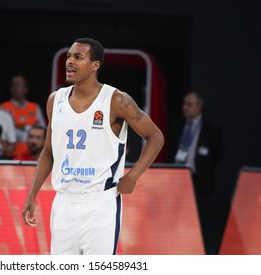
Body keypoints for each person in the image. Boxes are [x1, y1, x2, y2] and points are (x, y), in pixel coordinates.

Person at [22, 38, 164, 255]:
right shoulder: (55, 99)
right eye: (69, 56)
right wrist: (32, 193)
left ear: (95, 65)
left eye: (78, 57)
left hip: (100, 203)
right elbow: (49, 151)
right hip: (64, 203)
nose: (70, 61)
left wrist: (133, 176)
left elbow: (155, 136)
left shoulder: (116, 100)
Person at [168, 91, 223, 253]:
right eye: (184, 104)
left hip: (199, 180)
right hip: (178, 178)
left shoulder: (211, 129)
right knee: (176, 215)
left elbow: (219, 155)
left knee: (201, 217)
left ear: (199, 106)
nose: (185, 108)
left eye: (189, 104)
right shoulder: (177, 125)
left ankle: (201, 251)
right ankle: (176, 247)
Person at [0, 75, 46, 158]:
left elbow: (43, 129)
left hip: (33, 155)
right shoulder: (3, 107)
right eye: (13, 85)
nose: (15, 88)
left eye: (18, 85)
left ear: (26, 89)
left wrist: (24, 128)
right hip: (11, 155)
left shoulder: (34, 107)